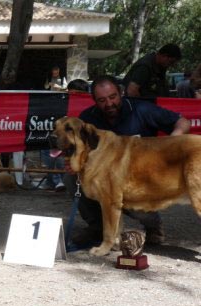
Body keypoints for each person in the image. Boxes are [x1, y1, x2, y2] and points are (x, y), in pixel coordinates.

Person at [65, 75, 191, 246]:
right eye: (102, 100)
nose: (109, 104)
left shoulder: (142, 109)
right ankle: (98, 228)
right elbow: (79, 148)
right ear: (94, 100)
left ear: (121, 93)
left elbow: (183, 122)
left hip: (140, 178)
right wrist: (75, 164)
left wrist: (170, 143)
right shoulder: (88, 118)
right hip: (105, 178)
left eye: (112, 97)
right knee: (72, 179)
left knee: (130, 198)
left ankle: (153, 226)